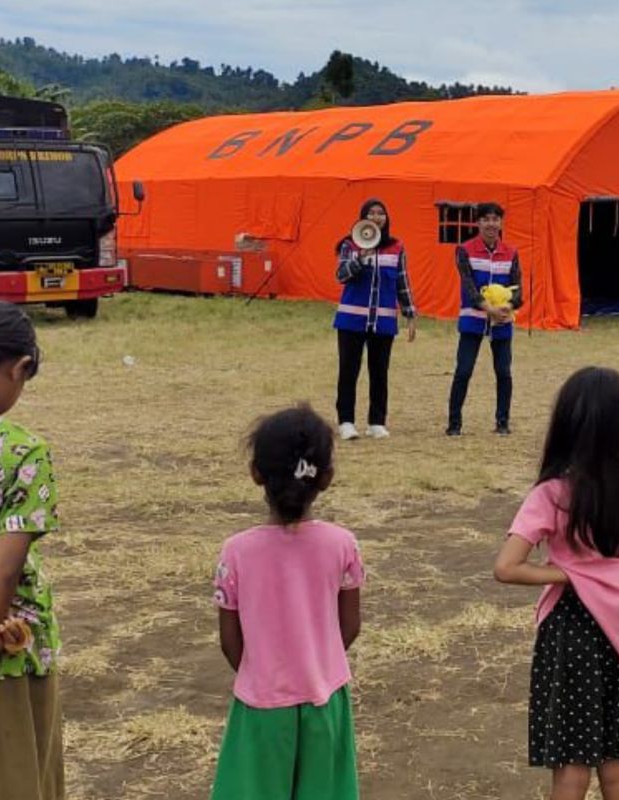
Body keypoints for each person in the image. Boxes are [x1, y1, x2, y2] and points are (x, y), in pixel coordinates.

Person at [494, 367, 619, 800]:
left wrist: (568, 574)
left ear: (566, 425)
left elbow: (507, 566)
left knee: (570, 770)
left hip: (568, 634)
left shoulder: (552, 494)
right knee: (616, 766)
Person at [210, 405, 364, 800]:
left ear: (256, 473)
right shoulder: (342, 544)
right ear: (326, 478)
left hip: (260, 705)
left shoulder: (236, 552)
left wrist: (264, 670)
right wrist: (315, 660)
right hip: (325, 700)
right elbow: (349, 627)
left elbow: (231, 641)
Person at [0, 299, 63, 800]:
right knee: (12, 775)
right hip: (5, 644)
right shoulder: (21, 449)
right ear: (20, 367)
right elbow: (4, 571)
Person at [333, 199, 417, 441]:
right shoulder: (350, 245)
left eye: (381, 213)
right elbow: (341, 275)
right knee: (348, 370)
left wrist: (410, 314)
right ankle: (346, 421)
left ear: (387, 218)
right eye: (372, 213)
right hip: (351, 320)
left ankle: (376, 422)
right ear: (363, 218)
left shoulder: (396, 247)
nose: (377, 217)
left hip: (383, 321)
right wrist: (360, 258)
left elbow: (402, 282)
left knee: (380, 371)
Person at [446, 202, 523, 436]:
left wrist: (508, 307)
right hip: (473, 320)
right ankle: (454, 424)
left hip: (502, 322)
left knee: (503, 372)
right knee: (464, 371)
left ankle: (502, 423)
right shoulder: (465, 250)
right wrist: (488, 309)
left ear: (501, 223)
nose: (491, 224)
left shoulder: (511, 253)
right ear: (478, 223)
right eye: (486, 219)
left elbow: (518, 290)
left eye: (495, 219)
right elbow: (468, 288)